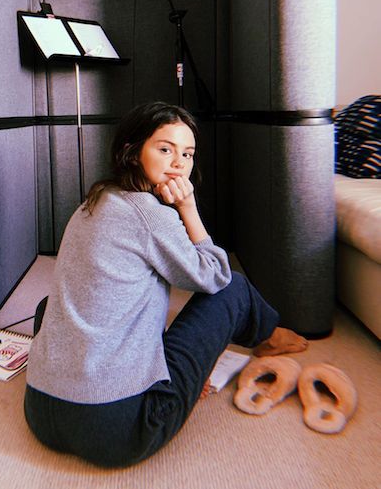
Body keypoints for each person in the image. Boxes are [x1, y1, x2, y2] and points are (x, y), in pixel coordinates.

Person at [24, 101, 308, 468]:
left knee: (51, 306)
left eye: (187, 153)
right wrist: (188, 208)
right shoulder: (150, 214)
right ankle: (268, 336)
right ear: (132, 152)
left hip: (41, 413)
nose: (179, 164)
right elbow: (214, 276)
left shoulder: (91, 203)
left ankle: (156, 370)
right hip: (120, 430)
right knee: (234, 288)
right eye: (165, 149)